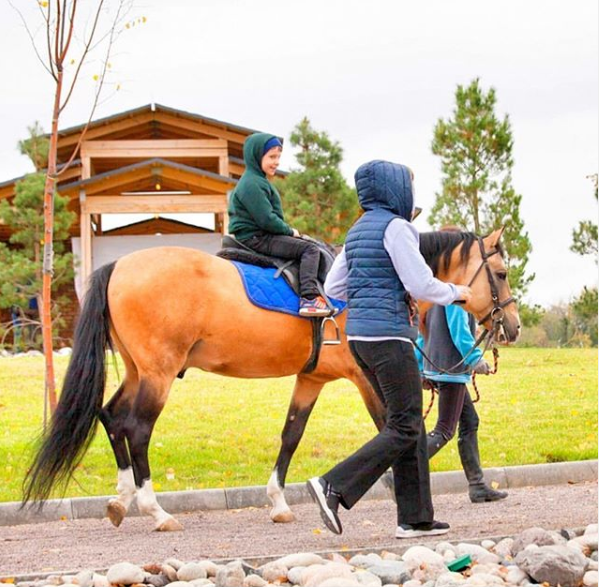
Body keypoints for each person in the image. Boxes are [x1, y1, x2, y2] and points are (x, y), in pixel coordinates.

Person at [306, 160, 472, 539]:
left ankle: (415, 518)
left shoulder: (358, 230)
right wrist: (456, 293)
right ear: (396, 189)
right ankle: (334, 485)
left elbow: (334, 286)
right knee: (405, 423)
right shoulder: (398, 228)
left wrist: (373, 293)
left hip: (361, 339)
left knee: (408, 424)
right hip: (389, 337)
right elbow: (421, 284)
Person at [416, 297, 509, 503]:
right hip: (451, 370)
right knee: (444, 430)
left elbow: (422, 332)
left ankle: (477, 486)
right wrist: (475, 359)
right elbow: (459, 331)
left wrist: (420, 367)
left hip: (438, 367)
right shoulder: (455, 295)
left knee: (469, 421)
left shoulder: (434, 291)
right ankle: (401, 471)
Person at [228, 132, 331, 317]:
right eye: (272, 157)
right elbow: (266, 219)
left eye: (278, 157)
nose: (276, 162)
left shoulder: (257, 181)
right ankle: (309, 298)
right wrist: (290, 231)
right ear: (256, 156)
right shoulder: (252, 184)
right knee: (310, 250)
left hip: (260, 235)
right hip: (258, 238)